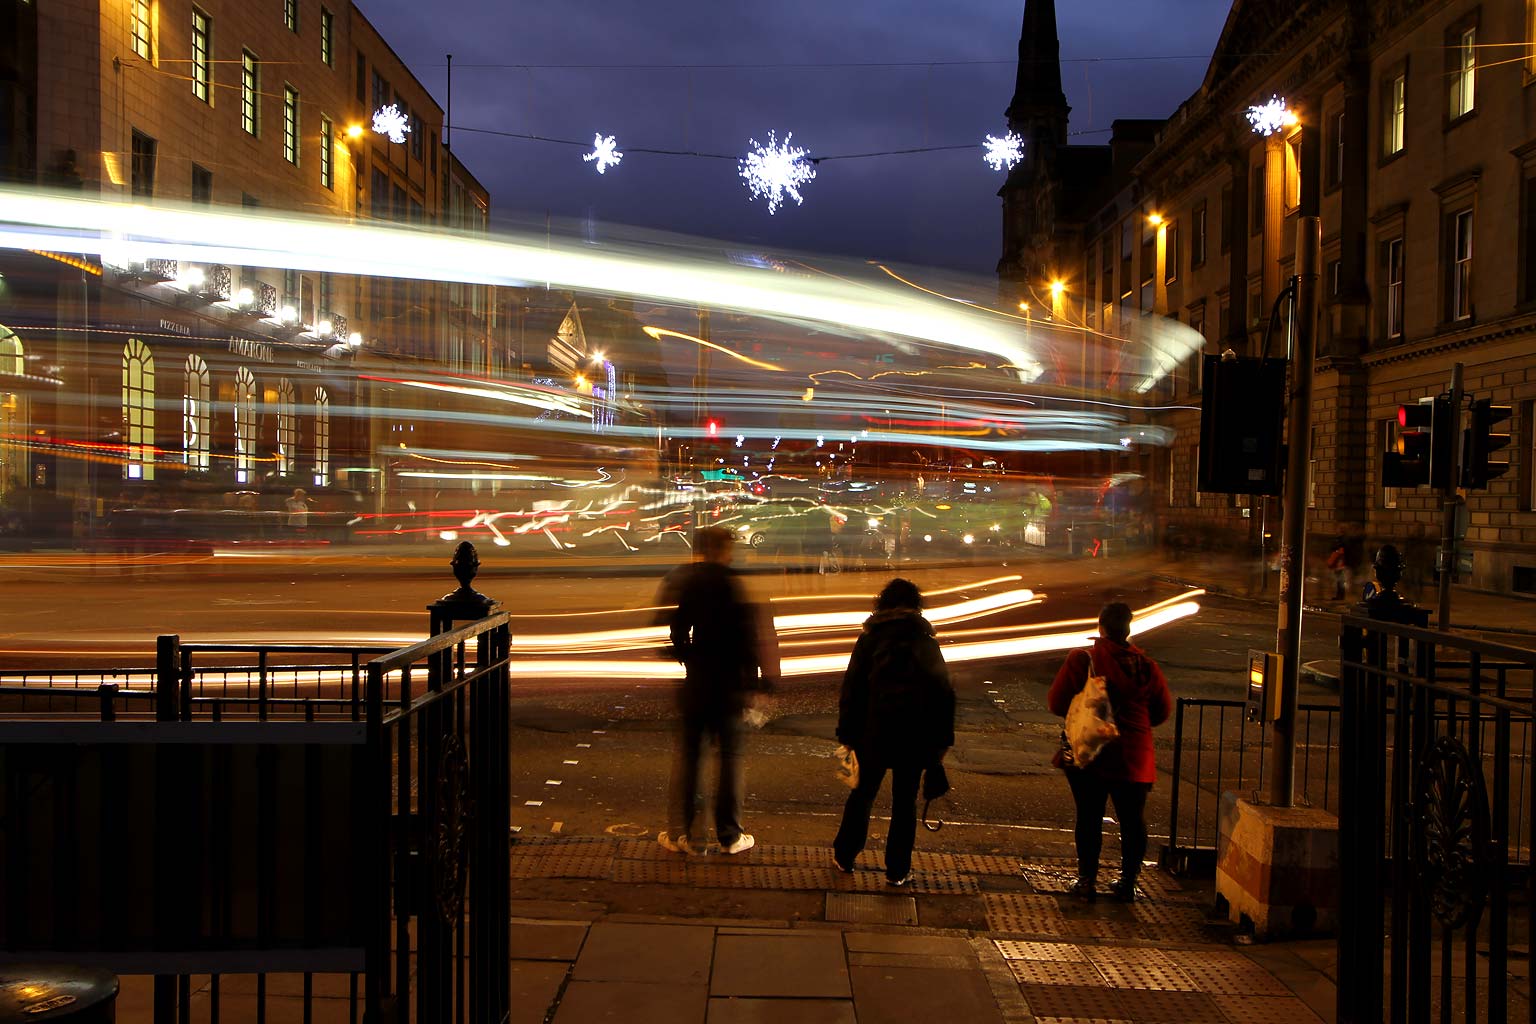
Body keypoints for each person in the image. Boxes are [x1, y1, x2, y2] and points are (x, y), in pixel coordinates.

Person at [655, 526, 775, 856]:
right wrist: (757, 682)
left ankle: (690, 837)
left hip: (699, 682)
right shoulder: (733, 584)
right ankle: (729, 835)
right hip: (730, 686)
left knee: (693, 759)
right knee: (730, 760)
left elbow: (677, 629)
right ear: (724, 551)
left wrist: (688, 656)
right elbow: (748, 638)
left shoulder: (692, 583)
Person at [833, 578, 955, 887]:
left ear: (882, 604)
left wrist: (847, 733)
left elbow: (852, 689)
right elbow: (942, 693)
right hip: (913, 738)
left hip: (871, 733)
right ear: (916, 606)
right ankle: (897, 870)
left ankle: (845, 856)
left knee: (862, 795)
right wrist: (942, 741)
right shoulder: (925, 641)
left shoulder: (870, 639)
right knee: (905, 803)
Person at [1048, 602, 1172, 902]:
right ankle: (1128, 883)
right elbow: (1161, 710)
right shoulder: (1146, 666)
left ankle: (1087, 880)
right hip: (1134, 755)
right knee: (1133, 821)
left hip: (1093, 753)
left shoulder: (1084, 659)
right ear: (1129, 629)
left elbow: (1056, 702)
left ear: (1100, 626)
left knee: (1089, 817)